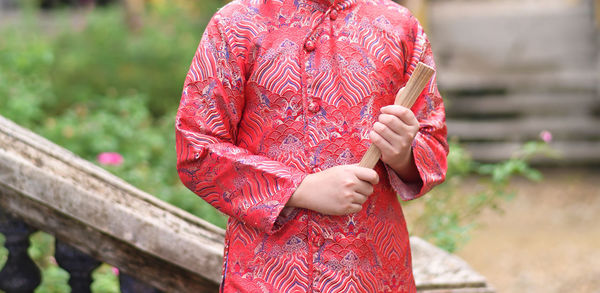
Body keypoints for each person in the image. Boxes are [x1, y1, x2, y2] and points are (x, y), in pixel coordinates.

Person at [175, 0, 448, 291]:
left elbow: (435, 146)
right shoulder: (237, 24)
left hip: (373, 272)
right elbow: (196, 149)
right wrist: (300, 189)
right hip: (267, 274)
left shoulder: (400, 26)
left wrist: (403, 153)